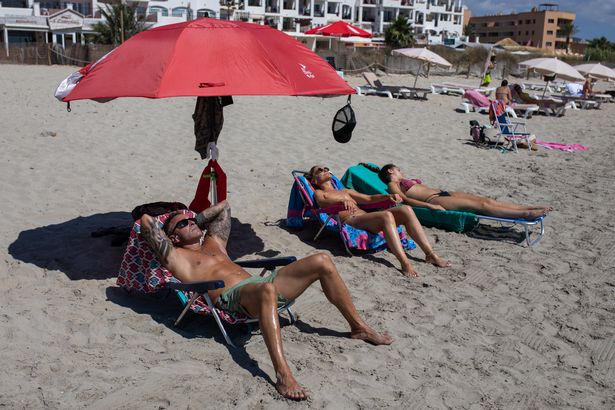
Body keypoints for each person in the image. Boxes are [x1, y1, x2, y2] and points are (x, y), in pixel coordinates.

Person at [139, 200, 393, 401]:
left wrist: (195, 218)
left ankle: (359, 327)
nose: (191, 222)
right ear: (172, 237)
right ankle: (283, 374)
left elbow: (224, 207)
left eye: (191, 220)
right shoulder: (176, 256)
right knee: (266, 291)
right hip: (234, 296)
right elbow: (147, 223)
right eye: (183, 224)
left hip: (261, 286)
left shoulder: (214, 242)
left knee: (322, 260)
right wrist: (170, 222)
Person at [307, 166, 450, 277]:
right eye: (319, 170)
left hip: (366, 217)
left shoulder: (345, 191)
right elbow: (322, 201)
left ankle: (430, 254)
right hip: (353, 221)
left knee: (406, 209)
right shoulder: (320, 192)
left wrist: (387, 196)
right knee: (386, 216)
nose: (324, 170)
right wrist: (341, 200)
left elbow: (368, 199)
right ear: (314, 180)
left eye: (326, 168)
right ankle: (404, 263)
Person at [369, 164, 552, 220]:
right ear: (391, 171)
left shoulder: (401, 180)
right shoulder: (393, 185)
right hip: (435, 200)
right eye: (398, 169)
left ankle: (528, 207)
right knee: (482, 206)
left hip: (445, 193)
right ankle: (527, 214)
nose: (402, 170)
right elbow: (405, 201)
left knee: (487, 199)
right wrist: (428, 206)